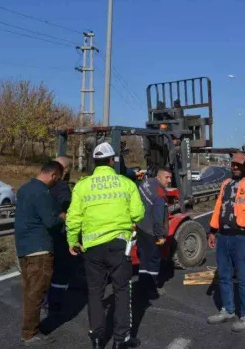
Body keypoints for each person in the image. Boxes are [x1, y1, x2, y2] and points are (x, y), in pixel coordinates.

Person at [66, 142, 145, 349]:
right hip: (119, 246)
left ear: (94, 162)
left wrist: (73, 241)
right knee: (121, 291)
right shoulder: (126, 184)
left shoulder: (82, 186)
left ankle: (97, 338)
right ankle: (121, 339)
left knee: (95, 293)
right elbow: (138, 214)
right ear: (112, 161)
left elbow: (73, 218)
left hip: (92, 248)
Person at [206, 152, 245, 332]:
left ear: (244, 166)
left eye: (238, 165)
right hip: (223, 236)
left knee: (242, 277)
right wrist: (212, 231)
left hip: (242, 236)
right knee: (224, 276)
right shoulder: (226, 183)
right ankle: (228, 310)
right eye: (233, 164)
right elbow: (219, 207)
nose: (235, 167)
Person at [14, 160, 66, 346]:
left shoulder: (24, 189)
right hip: (40, 248)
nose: (56, 182)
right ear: (53, 175)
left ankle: (30, 328)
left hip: (24, 247)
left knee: (29, 291)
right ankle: (30, 334)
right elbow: (51, 221)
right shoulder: (43, 193)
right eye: (57, 179)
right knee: (37, 293)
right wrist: (62, 217)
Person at [46, 156, 76, 315]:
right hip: (60, 234)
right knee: (61, 269)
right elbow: (68, 211)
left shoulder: (41, 186)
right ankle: (55, 304)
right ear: (65, 172)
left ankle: (46, 299)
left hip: (43, 235)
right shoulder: (63, 188)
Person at [137, 167, 172, 298]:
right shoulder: (160, 195)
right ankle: (151, 289)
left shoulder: (146, 183)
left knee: (144, 259)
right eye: (166, 177)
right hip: (152, 232)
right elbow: (158, 220)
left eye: (170, 178)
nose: (169, 180)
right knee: (154, 260)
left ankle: (142, 285)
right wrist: (161, 236)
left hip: (141, 226)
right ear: (159, 177)